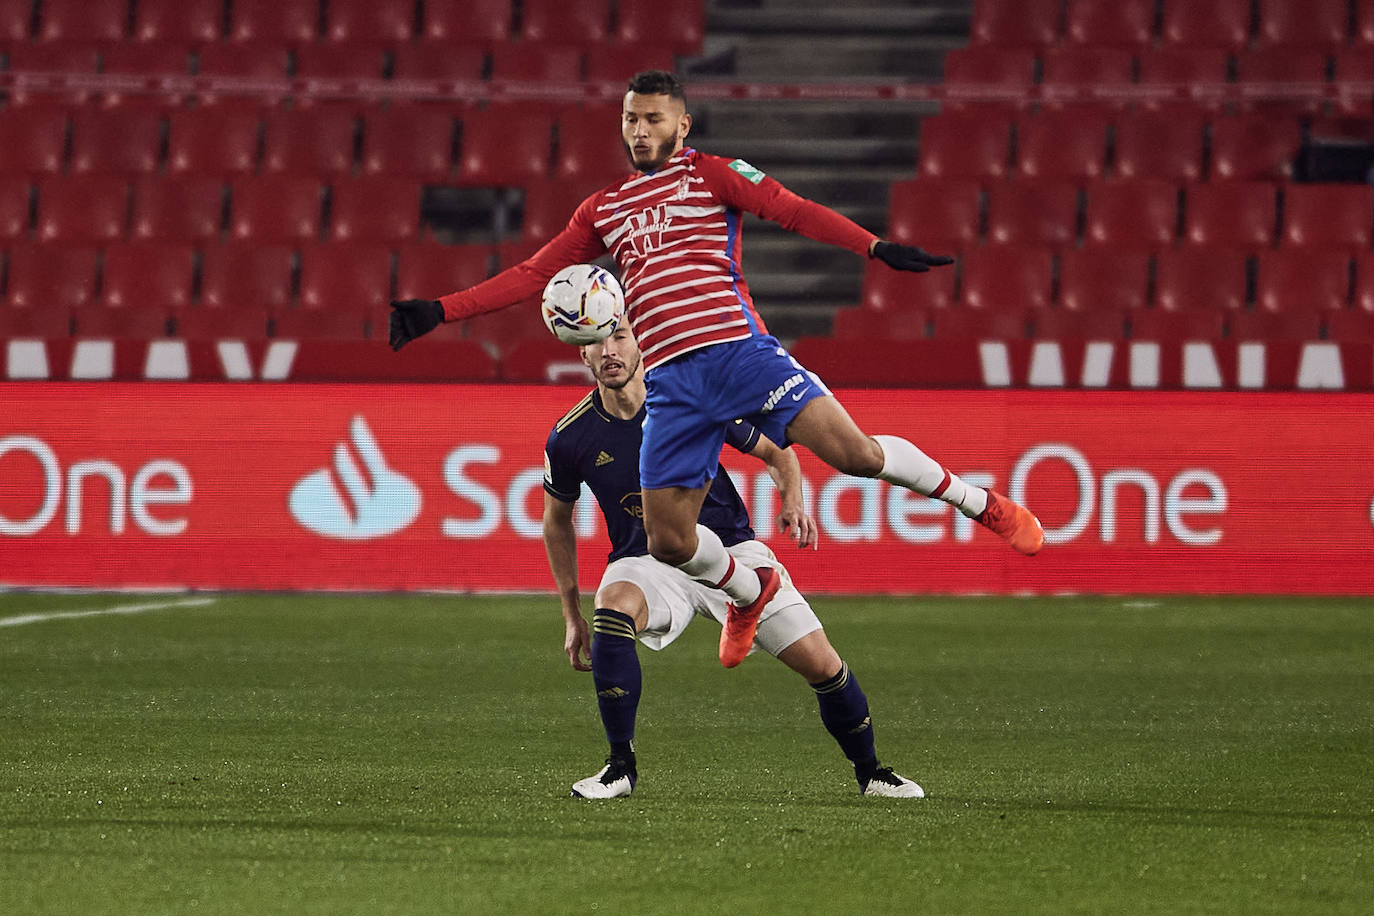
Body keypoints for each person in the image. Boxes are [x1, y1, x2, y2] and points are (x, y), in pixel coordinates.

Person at [392, 70, 1043, 669]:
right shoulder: (603, 210)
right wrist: (440, 311)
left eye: (652, 119)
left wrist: (872, 246)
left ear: (682, 126)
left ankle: (981, 504)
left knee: (858, 456)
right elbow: (537, 274)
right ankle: (746, 592)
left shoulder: (715, 174)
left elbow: (792, 209)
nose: (640, 130)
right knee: (670, 540)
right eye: (630, 120)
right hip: (674, 383)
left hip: (741, 355)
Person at [544, 324, 923, 799]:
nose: (609, 351)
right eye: (596, 342)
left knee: (823, 666)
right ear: (582, 353)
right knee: (612, 609)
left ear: (640, 342)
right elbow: (556, 521)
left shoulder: (687, 398)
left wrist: (793, 501)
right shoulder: (569, 436)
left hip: (731, 553)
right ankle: (619, 767)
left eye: (618, 336)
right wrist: (570, 614)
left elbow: (777, 451)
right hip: (648, 561)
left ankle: (871, 772)